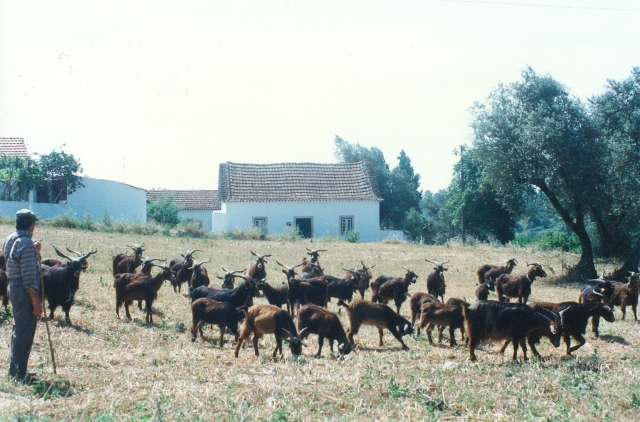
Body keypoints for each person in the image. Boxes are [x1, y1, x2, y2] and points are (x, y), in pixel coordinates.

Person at [4, 209, 42, 381]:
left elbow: (14, 260)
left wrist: (34, 252)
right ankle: (18, 372)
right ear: (31, 224)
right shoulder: (26, 244)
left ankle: (15, 367)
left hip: (13, 287)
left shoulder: (11, 238)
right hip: (24, 291)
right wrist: (36, 300)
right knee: (25, 331)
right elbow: (28, 275)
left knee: (18, 329)